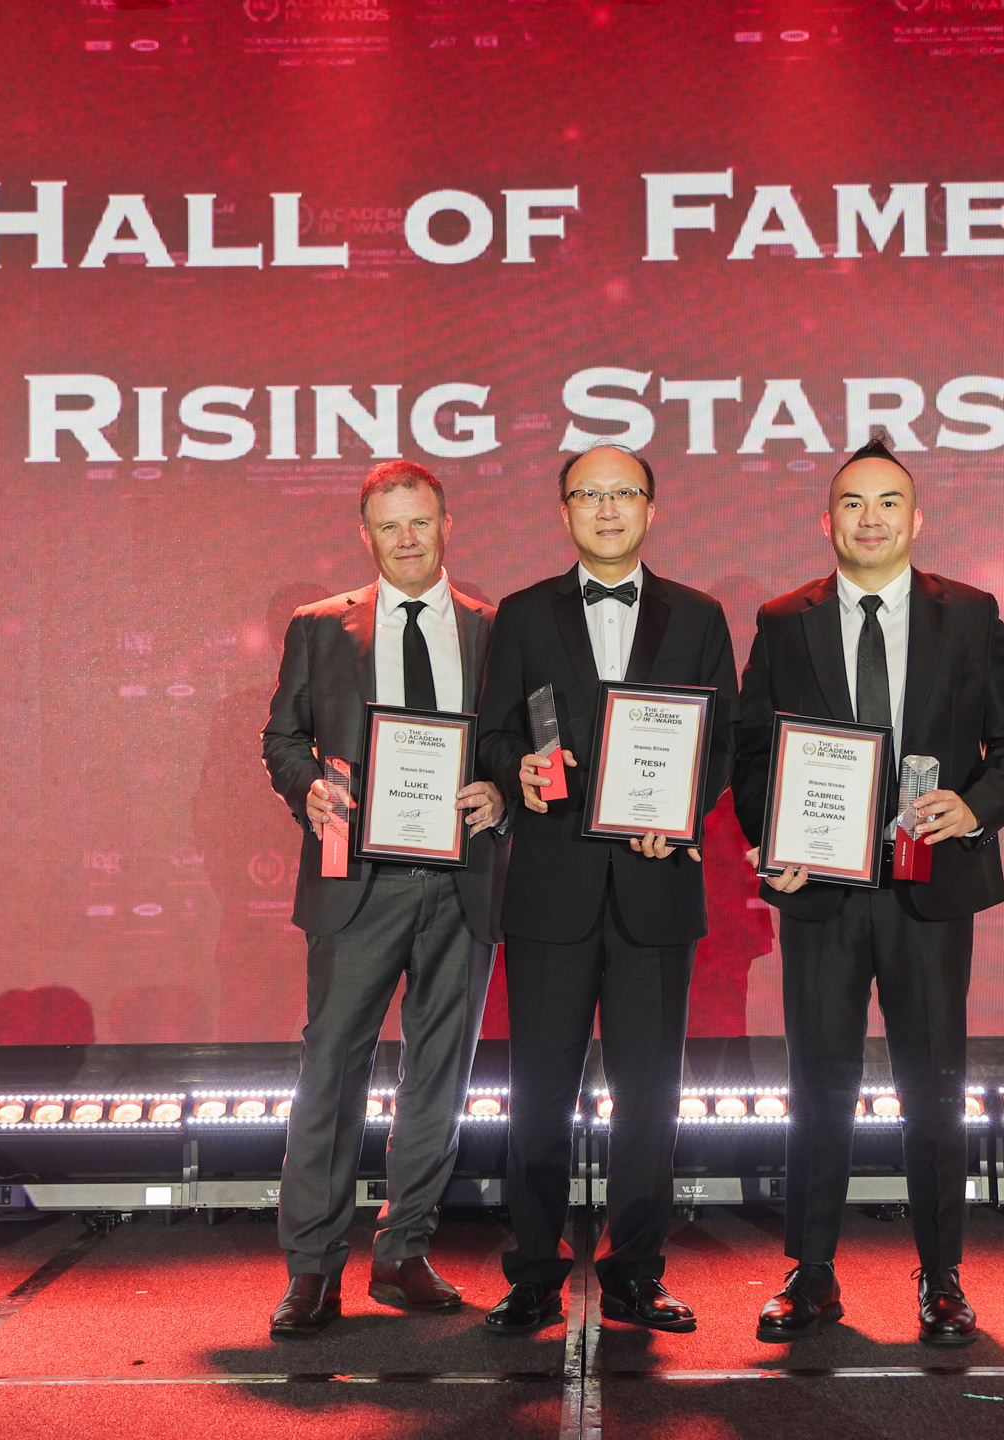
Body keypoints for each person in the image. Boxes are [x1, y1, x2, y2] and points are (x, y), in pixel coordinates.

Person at [732, 437, 1004, 1346]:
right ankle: (810, 1272)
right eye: (852, 504)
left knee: (933, 1086)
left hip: (929, 889)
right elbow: (751, 753)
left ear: (916, 520)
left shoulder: (970, 614)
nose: (869, 519)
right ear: (827, 520)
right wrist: (773, 839)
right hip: (821, 892)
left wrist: (974, 807)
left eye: (887, 503)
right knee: (817, 1085)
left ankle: (942, 1277)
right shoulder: (783, 620)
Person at [474, 444, 738, 1334]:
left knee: (650, 1097)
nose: (608, 507)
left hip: (655, 888)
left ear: (652, 508)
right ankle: (533, 1271)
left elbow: (722, 741)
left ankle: (635, 1271)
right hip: (551, 889)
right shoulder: (522, 614)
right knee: (538, 1097)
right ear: (564, 512)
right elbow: (493, 735)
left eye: (625, 492)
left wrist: (684, 812)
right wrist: (518, 768)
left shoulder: (699, 616)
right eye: (589, 494)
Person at [258, 460, 509, 1336]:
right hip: (355, 883)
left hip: (461, 882)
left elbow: (520, 744)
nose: (407, 538)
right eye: (389, 524)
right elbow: (282, 737)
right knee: (332, 1071)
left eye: (421, 521)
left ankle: (404, 1251)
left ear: (447, 526)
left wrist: (503, 793)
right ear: (365, 534)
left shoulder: (493, 629)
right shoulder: (318, 627)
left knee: (438, 1074)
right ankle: (312, 1269)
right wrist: (307, 789)